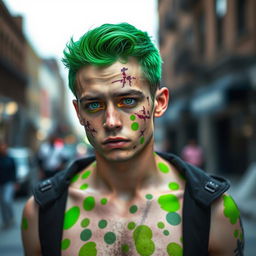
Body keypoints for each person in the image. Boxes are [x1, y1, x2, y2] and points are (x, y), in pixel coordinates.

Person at [21, 23, 244, 256]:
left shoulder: (214, 212)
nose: (111, 121)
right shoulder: (41, 213)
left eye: (128, 101)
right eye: (94, 105)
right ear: (78, 113)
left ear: (159, 103)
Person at [0, 141, 17, 229]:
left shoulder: (10, 159)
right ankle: (6, 220)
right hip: (1, 183)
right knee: (2, 203)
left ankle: (11, 217)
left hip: (9, 183)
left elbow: (14, 171)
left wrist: (15, 182)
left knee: (7, 200)